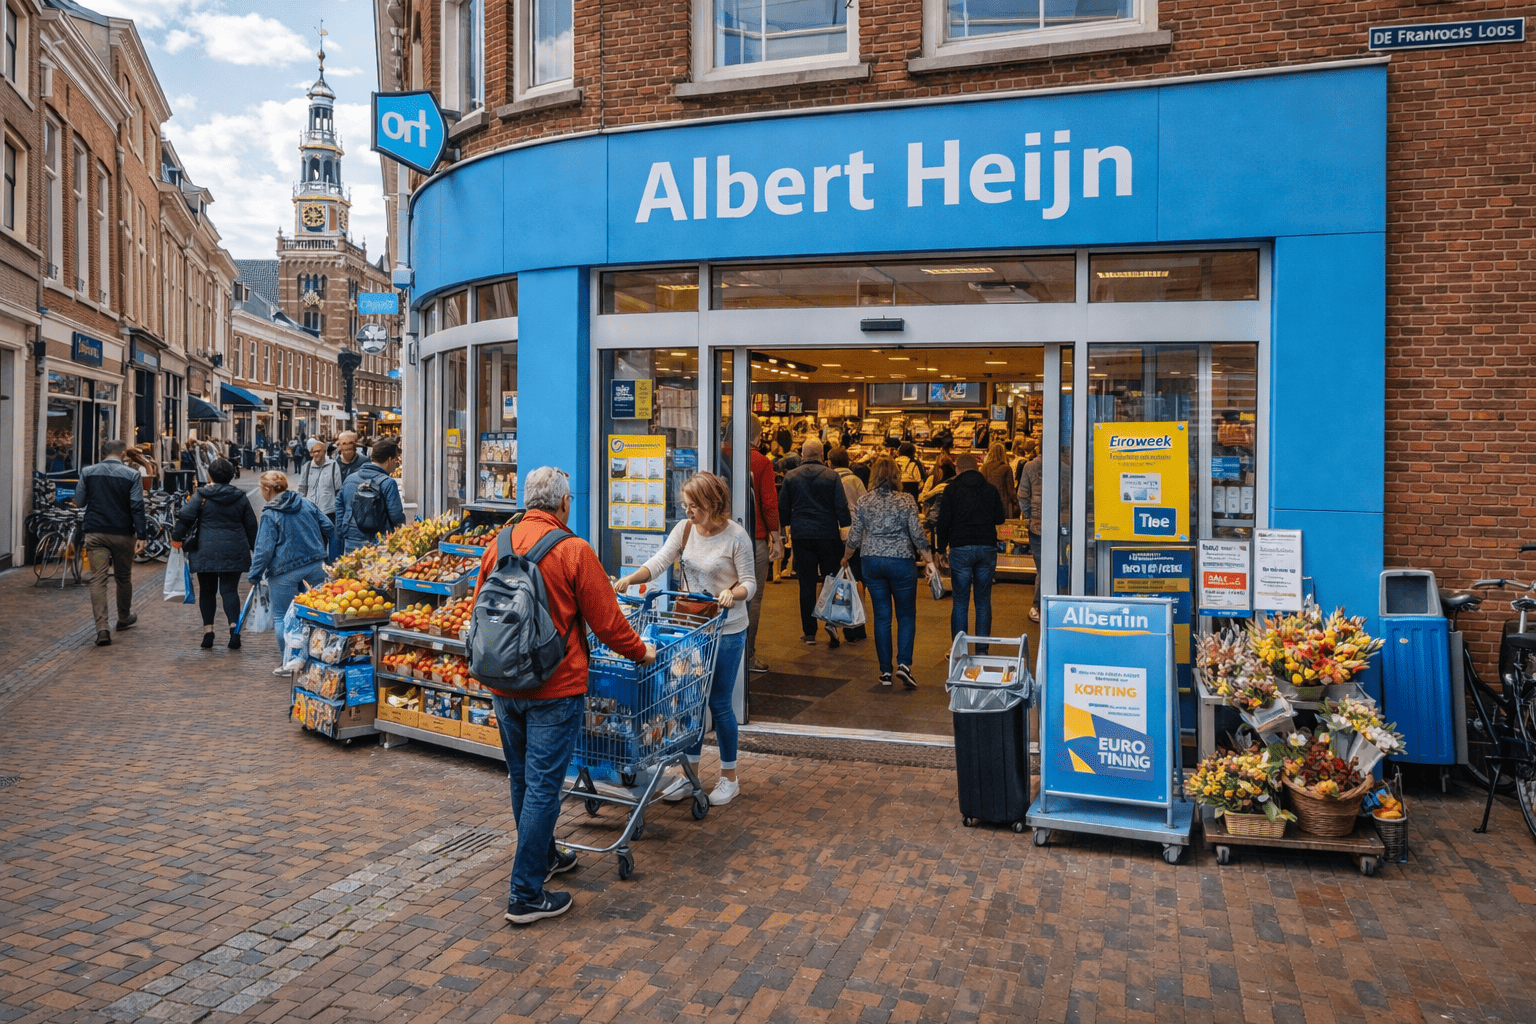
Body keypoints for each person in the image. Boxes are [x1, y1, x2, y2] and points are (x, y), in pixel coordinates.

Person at [474, 466, 656, 925]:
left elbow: (481, 610)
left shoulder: (497, 545)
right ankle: (525, 893)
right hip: (555, 688)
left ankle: (546, 857)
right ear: (563, 504)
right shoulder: (573, 550)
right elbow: (608, 623)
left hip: (503, 681)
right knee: (544, 788)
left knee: (523, 780)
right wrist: (642, 652)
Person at [614, 472, 755, 806]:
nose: (687, 510)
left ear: (711, 504)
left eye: (693, 505)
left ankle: (729, 777)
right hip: (689, 628)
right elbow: (661, 560)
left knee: (719, 703)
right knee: (689, 700)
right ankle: (689, 775)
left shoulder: (737, 537)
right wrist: (631, 579)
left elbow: (750, 583)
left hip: (727, 628)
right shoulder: (685, 529)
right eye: (685, 504)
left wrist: (733, 594)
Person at [842, 456, 939, 689]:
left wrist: (846, 557)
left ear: (873, 475)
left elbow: (854, 535)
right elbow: (916, 533)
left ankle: (885, 671)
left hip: (872, 561)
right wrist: (929, 559)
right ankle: (904, 664)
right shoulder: (906, 500)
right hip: (901, 562)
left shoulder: (864, 501)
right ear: (897, 476)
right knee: (906, 614)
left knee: (882, 616)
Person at [249, 471, 333, 672]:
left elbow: (264, 549)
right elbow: (329, 527)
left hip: (283, 570)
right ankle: (320, 658)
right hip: (315, 564)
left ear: (268, 489)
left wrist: (254, 573)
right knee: (320, 611)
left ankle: (288, 663)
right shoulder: (305, 503)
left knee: (282, 617)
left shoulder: (270, 513)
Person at [173, 458, 258, 649]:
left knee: (207, 591)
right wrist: (257, 551)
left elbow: (186, 517)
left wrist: (177, 537)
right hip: (234, 549)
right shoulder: (240, 497)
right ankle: (234, 631)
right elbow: (251, 526)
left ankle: (208, 632)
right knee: (229, 590)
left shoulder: (202, 495)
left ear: (210, 475)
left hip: (206, 549)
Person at [74, 440, 148, 645]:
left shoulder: (88, 472)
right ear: (123, 453)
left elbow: (79, 502)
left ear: (103, 453)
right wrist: (141, 534)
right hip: (123, 533)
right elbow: (136, 506)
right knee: (123, 577)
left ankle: (102, 629)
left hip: (95, 532)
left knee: (98, 579)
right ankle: (123, 618)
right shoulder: (132, 475)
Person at [778, 440, 850, 647]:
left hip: (802, 536)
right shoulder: (832, 476)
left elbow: (783, 508)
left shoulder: (791, 477)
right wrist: (846, 531)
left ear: (802, 454)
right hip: (828, 535)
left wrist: (788, 528)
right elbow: (842, 508)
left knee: (806, 584)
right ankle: (831, 624)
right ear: (822, 455)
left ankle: (809, 633)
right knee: (830, 581)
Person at [937, 454, 1006, 647]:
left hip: (960, 548)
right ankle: (982, 651)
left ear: (957, 469)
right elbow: (1000, 518)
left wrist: (941, 549)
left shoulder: (951, 490)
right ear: (977, 468)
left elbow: (943, 522)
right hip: (986, 548)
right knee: (983, 601)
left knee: (960, 602)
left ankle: (960, 650)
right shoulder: (990, 489)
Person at [744, 416, 783, 674]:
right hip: (754, 539)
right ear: (758, 437)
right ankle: (748, 656)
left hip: (719, 537)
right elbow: (769, 503)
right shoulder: (761, 462)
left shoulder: (717, 454)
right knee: (752, 599)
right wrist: (777, 537)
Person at [336, 438, 405, 553]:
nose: (397, 465)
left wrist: (342, 529)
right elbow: (396, 516)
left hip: (351, 536)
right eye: (396, 460)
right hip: (378, 538)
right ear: (389, 460)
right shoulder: (388, 483)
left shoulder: (350, 478)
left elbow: (339, 504)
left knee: (352, 568)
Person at [325, 432, 368, 559]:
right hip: (336, 510)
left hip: (357, 512)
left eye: (351, 443)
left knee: (356, 551)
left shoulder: (365, 462)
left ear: (356, 445)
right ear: (339, 445)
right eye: (344, 443)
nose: (348, 446)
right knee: (336, 542)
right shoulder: (333, 464)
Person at [1017, 450, 1045, 622]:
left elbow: (1022, 495)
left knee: (1042, 566)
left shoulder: (1029, 466)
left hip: (1037, 525)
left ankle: (1037, 605)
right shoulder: (1066, 465)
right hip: (1060, 524)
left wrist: (1029, 516)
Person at [294, 438, 339, 538]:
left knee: (333, 540)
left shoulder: (333, 465)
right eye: (313, 452)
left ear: (324, 452)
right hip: (311, 512)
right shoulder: (307, 466)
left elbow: (338, 489)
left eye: (318, 451)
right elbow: (301, 489)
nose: (316, 454)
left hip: (329, 512)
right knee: (315, 542)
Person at [982, 442, 1021, 521]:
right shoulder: (1006, 468)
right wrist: (1016, 502)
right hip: (1002, 506)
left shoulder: (984, 468)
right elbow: (1010, 490)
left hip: (987, 505)